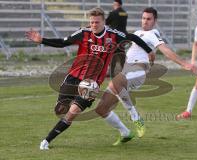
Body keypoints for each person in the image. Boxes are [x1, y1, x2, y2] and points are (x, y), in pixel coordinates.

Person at [25, 7, 154, 150]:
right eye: (91, 22)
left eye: (97, 22)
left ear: (104, 22)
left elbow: (133, 37)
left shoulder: (113, 35)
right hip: (74, 77)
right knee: (60, 110)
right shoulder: (83, 33)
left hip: (91, 84)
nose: (93, 25)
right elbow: (63, 42)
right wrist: (41, 40)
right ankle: (124, 131)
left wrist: (149, 51)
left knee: (72, 113)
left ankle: (46, 141)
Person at [94, 7, 197, 143]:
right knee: (101, 109)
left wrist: (184, 64)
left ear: (154, 21)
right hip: (126, 72)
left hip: (137, 71)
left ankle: (136, 118)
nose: (145, 21)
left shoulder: (153, 34)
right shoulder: (137, 33)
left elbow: (165, 50)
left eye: (149, 19)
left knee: (114, 83)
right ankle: (125, 132)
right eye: (143, 18)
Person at [106, 0, 128, 77]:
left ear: (116, 4)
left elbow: (106, 22)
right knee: (122, 55)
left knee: (112, 55)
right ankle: (124, 72)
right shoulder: (125, 13)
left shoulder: (113, 13)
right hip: (123, 37)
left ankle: (112, 73)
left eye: (114, 4)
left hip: (114, 37)